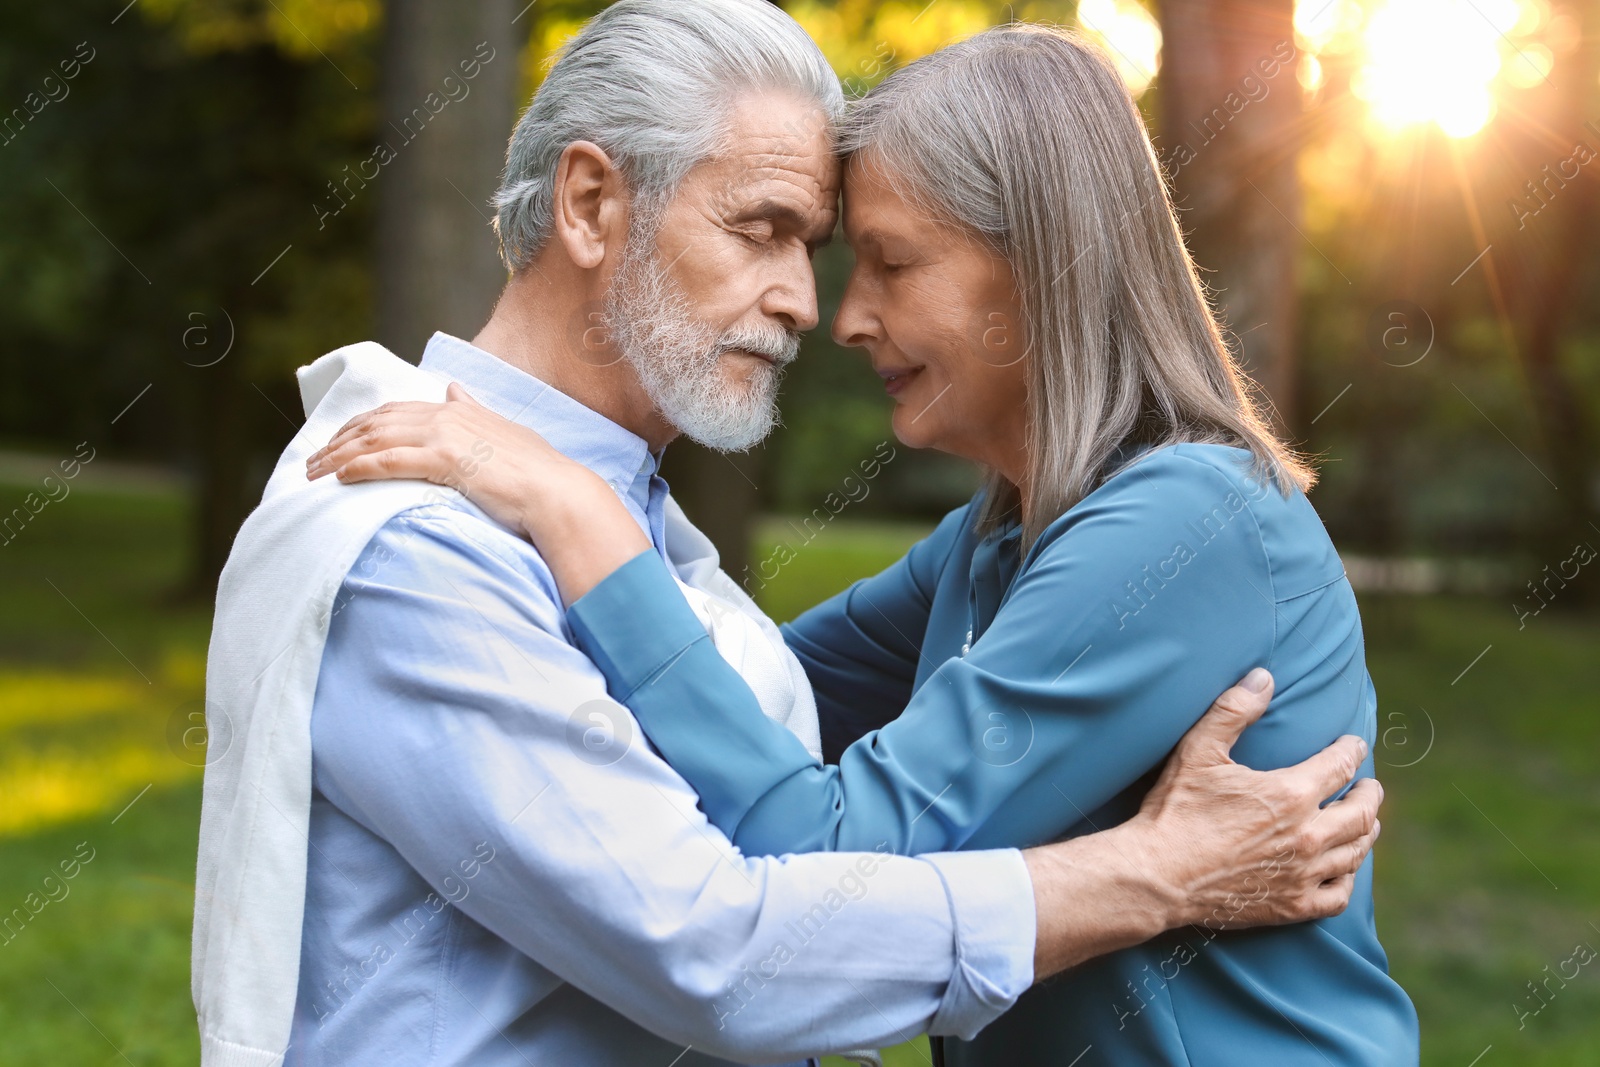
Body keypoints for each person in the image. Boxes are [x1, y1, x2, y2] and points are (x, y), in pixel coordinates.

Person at [195, 3, 1374, 1066]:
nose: (819, 310)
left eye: (850, 257)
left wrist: (581, 515)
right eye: (763, 230)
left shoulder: (1167, 521)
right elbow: (729, 937)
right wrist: (1149, 876)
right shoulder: (421, 546)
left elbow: (772, 774)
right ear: (593, 204)